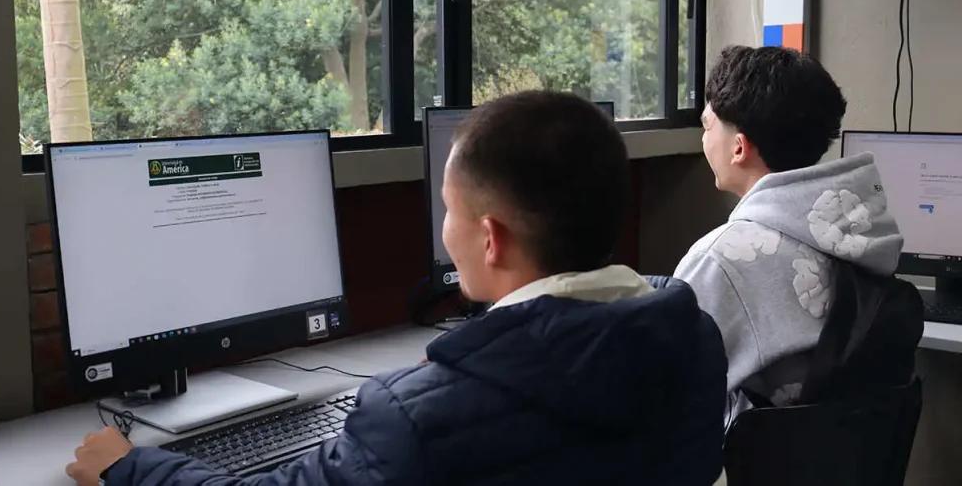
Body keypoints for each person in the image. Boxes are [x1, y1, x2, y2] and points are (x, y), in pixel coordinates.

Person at [67, 91, 728, 486]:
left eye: (449, 208)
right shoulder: (690, 334)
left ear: (490, 237)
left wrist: (130, 467)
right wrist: (467, 372)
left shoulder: (415, 419)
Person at [675, 45, 903, 419]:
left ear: (738, 148)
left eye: (706, 126)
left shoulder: (720, 260)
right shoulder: (861, 231)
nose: (703, 139)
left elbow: (668, 393)